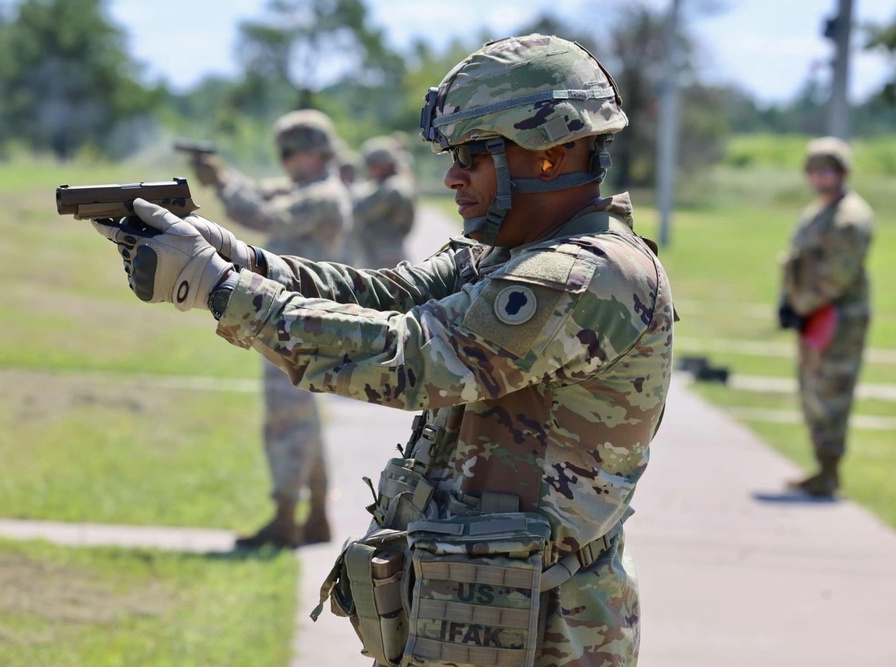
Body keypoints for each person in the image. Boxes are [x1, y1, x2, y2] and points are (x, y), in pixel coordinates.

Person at [94, 34, 674, 666]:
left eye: (474, 156)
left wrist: (221, 291)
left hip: (545, 635)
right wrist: (242, 259)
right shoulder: (510, 255)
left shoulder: (586, 275)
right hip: (479, 616)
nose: (452, 176)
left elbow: (414, 358)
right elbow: (381, 296)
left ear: (552, 152)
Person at [186, 109, 353, 547]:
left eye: (287, 153)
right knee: (306, 420)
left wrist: (220, 182)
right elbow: (262, 193)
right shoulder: (314, 190)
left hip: (298, 321)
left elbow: (262, 215)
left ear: (310, 153)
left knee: (286, 421)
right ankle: (315, 518)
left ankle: (285, 521)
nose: (282, 163)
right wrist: (224, 175)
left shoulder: (320, 196)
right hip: (305, 317)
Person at [778, 136, 873, 499]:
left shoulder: (849, 218)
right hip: (814, 315)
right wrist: (791, 302)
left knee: (831, 393)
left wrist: (799, 304)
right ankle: (822, 467)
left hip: (837, 320)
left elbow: (836, 275)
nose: (820, 177)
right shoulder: (820, 211)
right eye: (814, 170)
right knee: (813, 392)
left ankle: (829, 471)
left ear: (842, 173)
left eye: (827, 170)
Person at [350, 134, 417, 268]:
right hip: (374, 252)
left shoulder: (394, 188)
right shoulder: (383, 184)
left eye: (373, 165)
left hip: (386, 255)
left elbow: (362, 210)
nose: (370, 170)